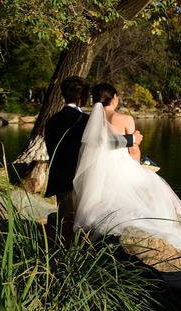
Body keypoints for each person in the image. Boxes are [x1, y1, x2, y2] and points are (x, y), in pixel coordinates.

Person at [72, 83, 181, 263]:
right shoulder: (125, 119)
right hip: (122, 167)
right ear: (115, 98)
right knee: (154, 188)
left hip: (99, 172)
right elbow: (134, 152)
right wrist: (139, 167)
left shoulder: (89, 122)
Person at [44, 76, 140, 243]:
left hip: (58, 179)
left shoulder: (51, 120)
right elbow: (104, 143)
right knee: (77, 226)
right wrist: (131, 139)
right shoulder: (84, 121)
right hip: (79, 178)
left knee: (64, 224)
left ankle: (60, 259)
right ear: (83, 98)